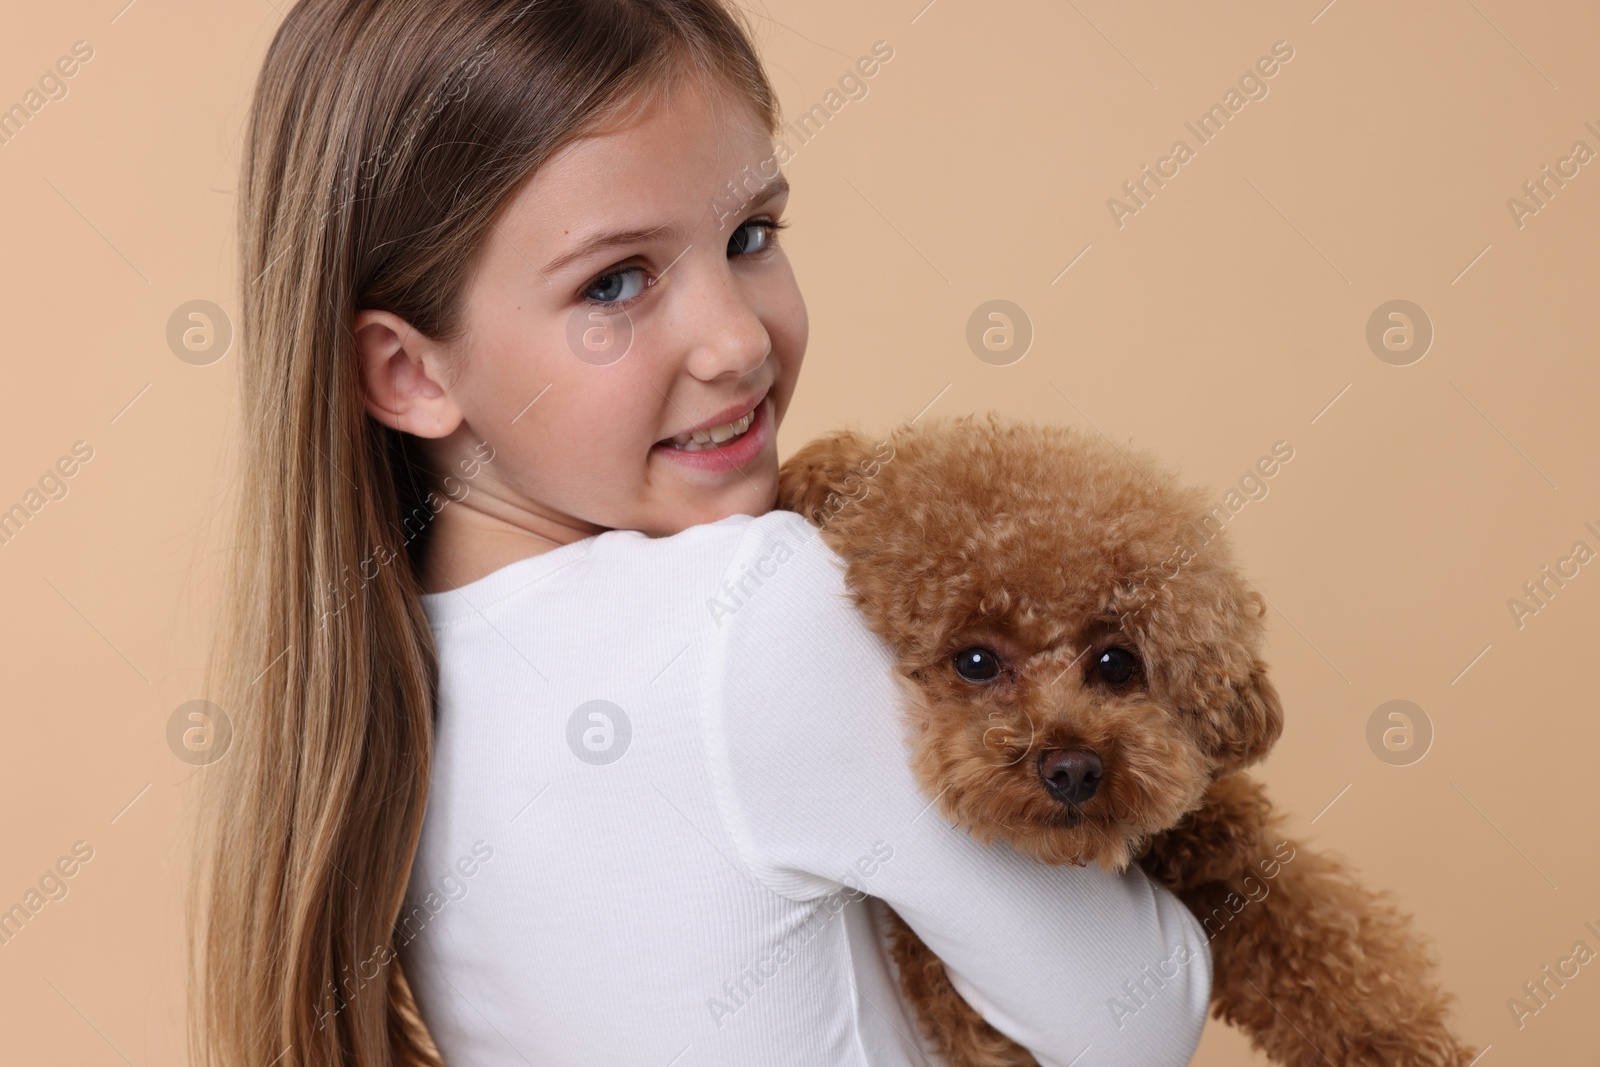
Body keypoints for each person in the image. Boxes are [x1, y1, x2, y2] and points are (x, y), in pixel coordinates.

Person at [192, 1, 1212, 1064]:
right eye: (614, 282)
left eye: (749, 235)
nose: (733, 339)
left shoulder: (383, 692)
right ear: (407, 372)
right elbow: (1136, 1013)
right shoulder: (751, 608)